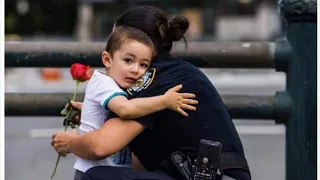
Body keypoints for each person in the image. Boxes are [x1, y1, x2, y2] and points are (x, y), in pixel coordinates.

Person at [51, 6, 251, 180]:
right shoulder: (168, 71)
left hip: (211, 176)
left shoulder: (158, 77)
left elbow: (100, 146)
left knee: (96, 177)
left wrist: (69, 142)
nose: (111, 45)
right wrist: (96, 116)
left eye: (116, 38)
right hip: (201, 174)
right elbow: (136, 162)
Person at [71, 26, 198, 180]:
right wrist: (165, 101)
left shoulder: (116, 86)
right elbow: (125, 109)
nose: (135, 69)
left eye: (144, 65)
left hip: (108, 170)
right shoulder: (103, 83)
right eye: (128, 60)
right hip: (91, 173)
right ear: (107, 59)